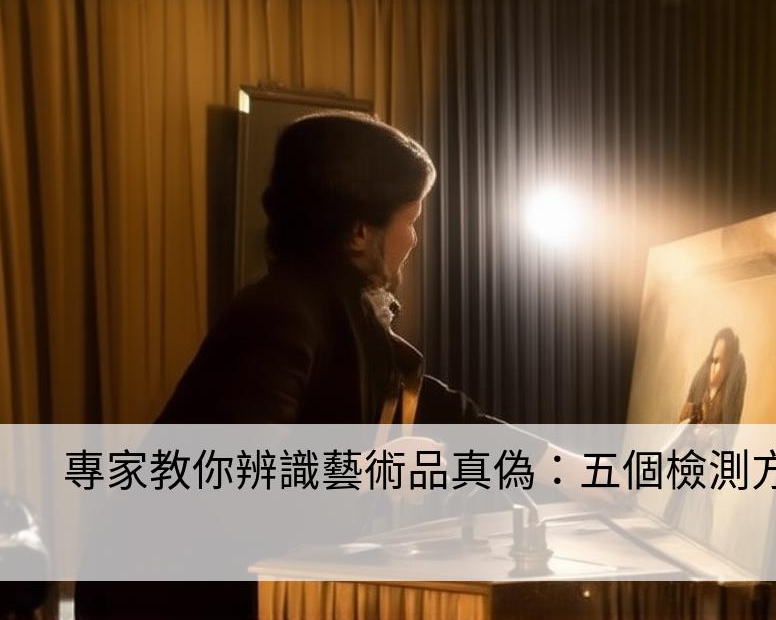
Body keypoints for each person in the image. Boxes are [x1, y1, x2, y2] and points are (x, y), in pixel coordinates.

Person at [76, 112, 613, 619]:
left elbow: (457, 420)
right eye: (410, 220)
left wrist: (583, 473)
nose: (414, 239)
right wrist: (371, 475)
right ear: (359, 233)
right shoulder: (281, 311)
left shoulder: (336, 309)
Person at [678, 327, 747, 426]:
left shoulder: (727, 394)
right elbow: (682, 423)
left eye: (717, 361)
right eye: (712, 361)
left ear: (728, 364)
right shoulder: (700, 386)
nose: (713, 367)